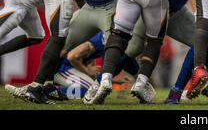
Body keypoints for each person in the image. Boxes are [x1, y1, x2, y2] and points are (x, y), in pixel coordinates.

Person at [5, 31, 139, 101]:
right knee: (88, 91)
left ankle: (42, 89)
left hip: (66, 67)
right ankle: (43, 92)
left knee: (93, 88)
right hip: (62, 67)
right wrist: (87, 69)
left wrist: (115, 80)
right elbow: (72, 56)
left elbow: (88, 68)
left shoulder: (103, 34)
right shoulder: (102, 38)